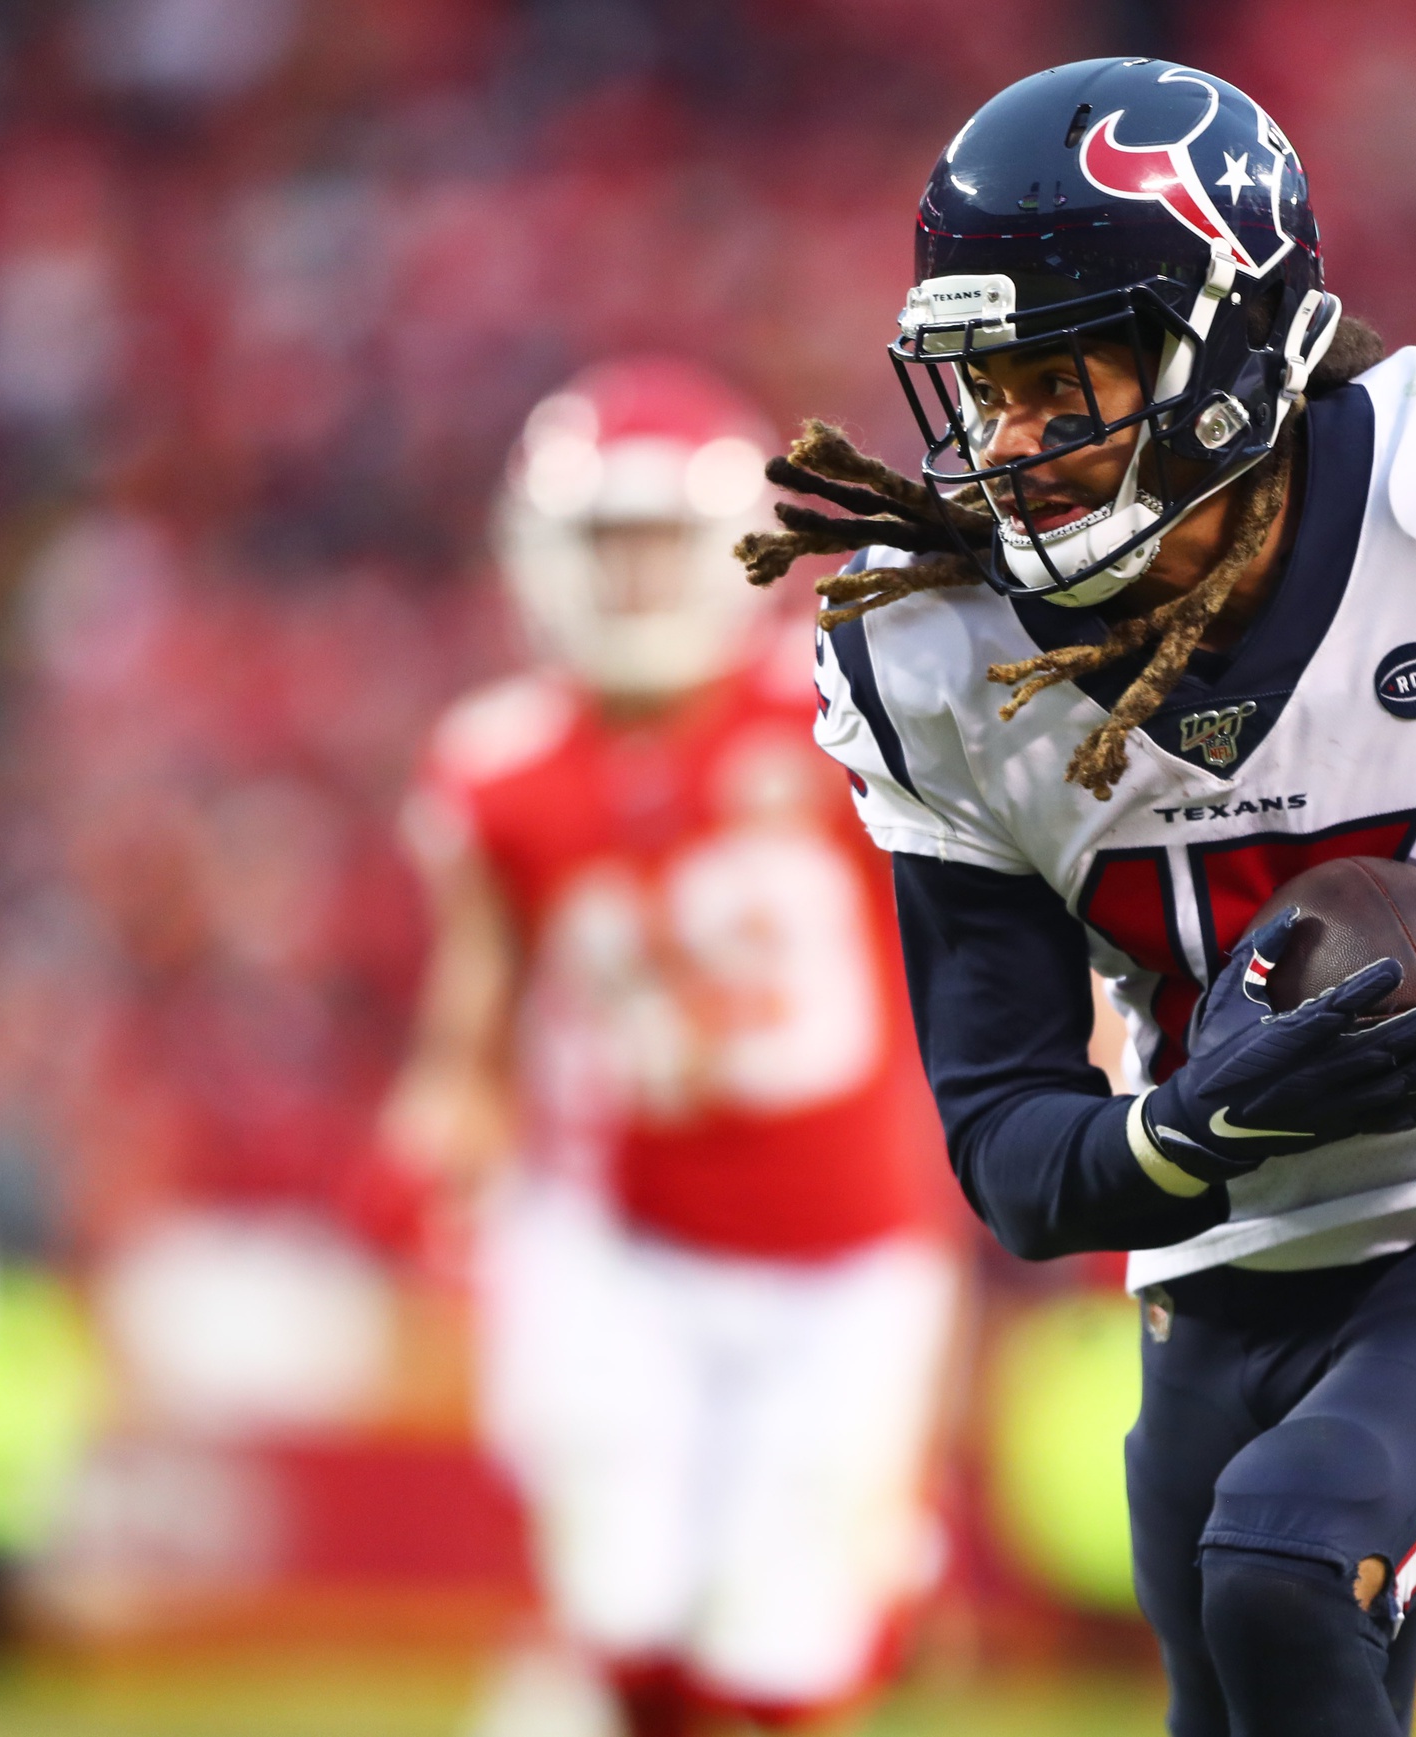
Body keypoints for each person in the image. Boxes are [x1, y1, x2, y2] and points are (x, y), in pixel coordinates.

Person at [743, 59, 1416, 1737]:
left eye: (1061, 381)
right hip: (1220, 1271)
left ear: (1223, 353)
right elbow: (1015, 1156)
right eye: (984, 392)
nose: (1010, 446)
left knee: (1285, 1557)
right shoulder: (937, 653)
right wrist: (1190, 1129)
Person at [382, 358, 957, 1737]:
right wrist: (445, 1110)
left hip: (845, 1246)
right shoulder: (495, 767)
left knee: (771, 1670)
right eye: (603, 546)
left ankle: (888, 1578)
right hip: (619, 1232)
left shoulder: (848, 716)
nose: (634, 581)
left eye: (659, 545)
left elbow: (1007, 922)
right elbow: (478, 1003)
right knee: (624, 1632)